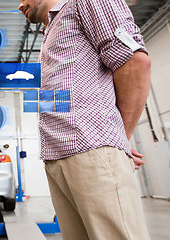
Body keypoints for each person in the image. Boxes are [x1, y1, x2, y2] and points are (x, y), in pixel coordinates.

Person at [18, 0, 151, 239]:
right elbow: (61, 97)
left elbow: (134, 62)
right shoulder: (52, 30)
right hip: (57, 157)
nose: (20, 5)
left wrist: (119, 139)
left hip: (91, 150)